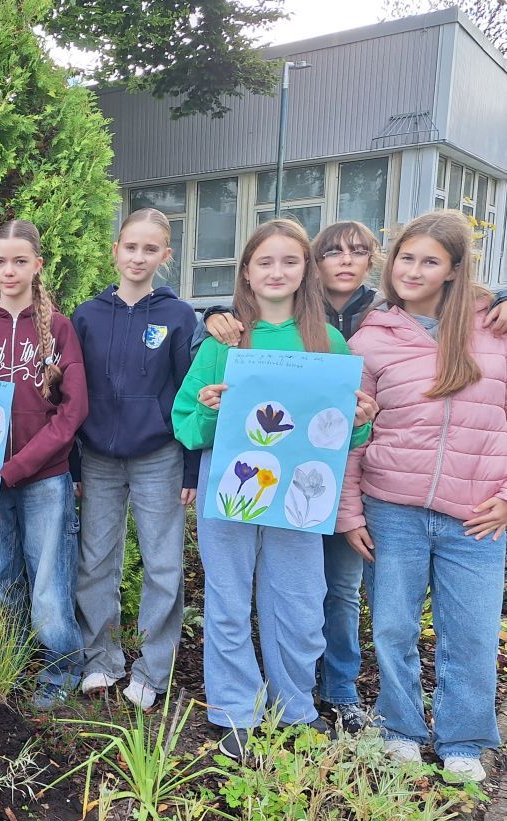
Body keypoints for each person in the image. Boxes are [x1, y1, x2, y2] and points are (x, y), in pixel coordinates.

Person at [172, 219, 377, 760]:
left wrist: (359, 422)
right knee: (228, 598)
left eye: (290, 261)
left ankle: (295, 706)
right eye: (265, 262)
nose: (277, 271)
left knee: (300, 600)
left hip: (300, 492)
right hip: (230, 487)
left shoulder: (327, 342)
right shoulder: (224, 341)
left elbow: (338, 433)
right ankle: (235, 710)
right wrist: (212, 411)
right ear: (246, 272)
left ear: (306, 270)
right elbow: (185, 423)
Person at [339, 209, 507, 783]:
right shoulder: (370, 338)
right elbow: (354, 434)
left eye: (429, 261)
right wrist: (350, 511)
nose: (412, 270)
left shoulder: (495, 330)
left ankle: (462, 739)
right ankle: (401, 730)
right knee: (393, 628)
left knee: (472, 634)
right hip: (393, 509)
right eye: (405, 258)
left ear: (454, 269)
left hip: (477, 514)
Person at [0, 219, 88, 710]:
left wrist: (16, 467)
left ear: (37, 265)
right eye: (0, 262)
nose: (9, 271)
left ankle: (61, 669)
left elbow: (72, 412)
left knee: (49, 583)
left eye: (20, 261)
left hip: (45, 478)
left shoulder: (59, 329)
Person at [72, 208, 198, 710]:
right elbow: (74, 395)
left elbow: (189, 395)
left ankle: (152, 669)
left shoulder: (177, 315)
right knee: (95, 562)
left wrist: (191, 467)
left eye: (150, 249)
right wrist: (74, 463)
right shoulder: (87, 315)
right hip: (97, 459)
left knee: (163, 564)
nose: (138, 257)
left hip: (159, 456)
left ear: (165, 256)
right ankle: (101, 660)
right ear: (115, 251)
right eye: (130, 247)